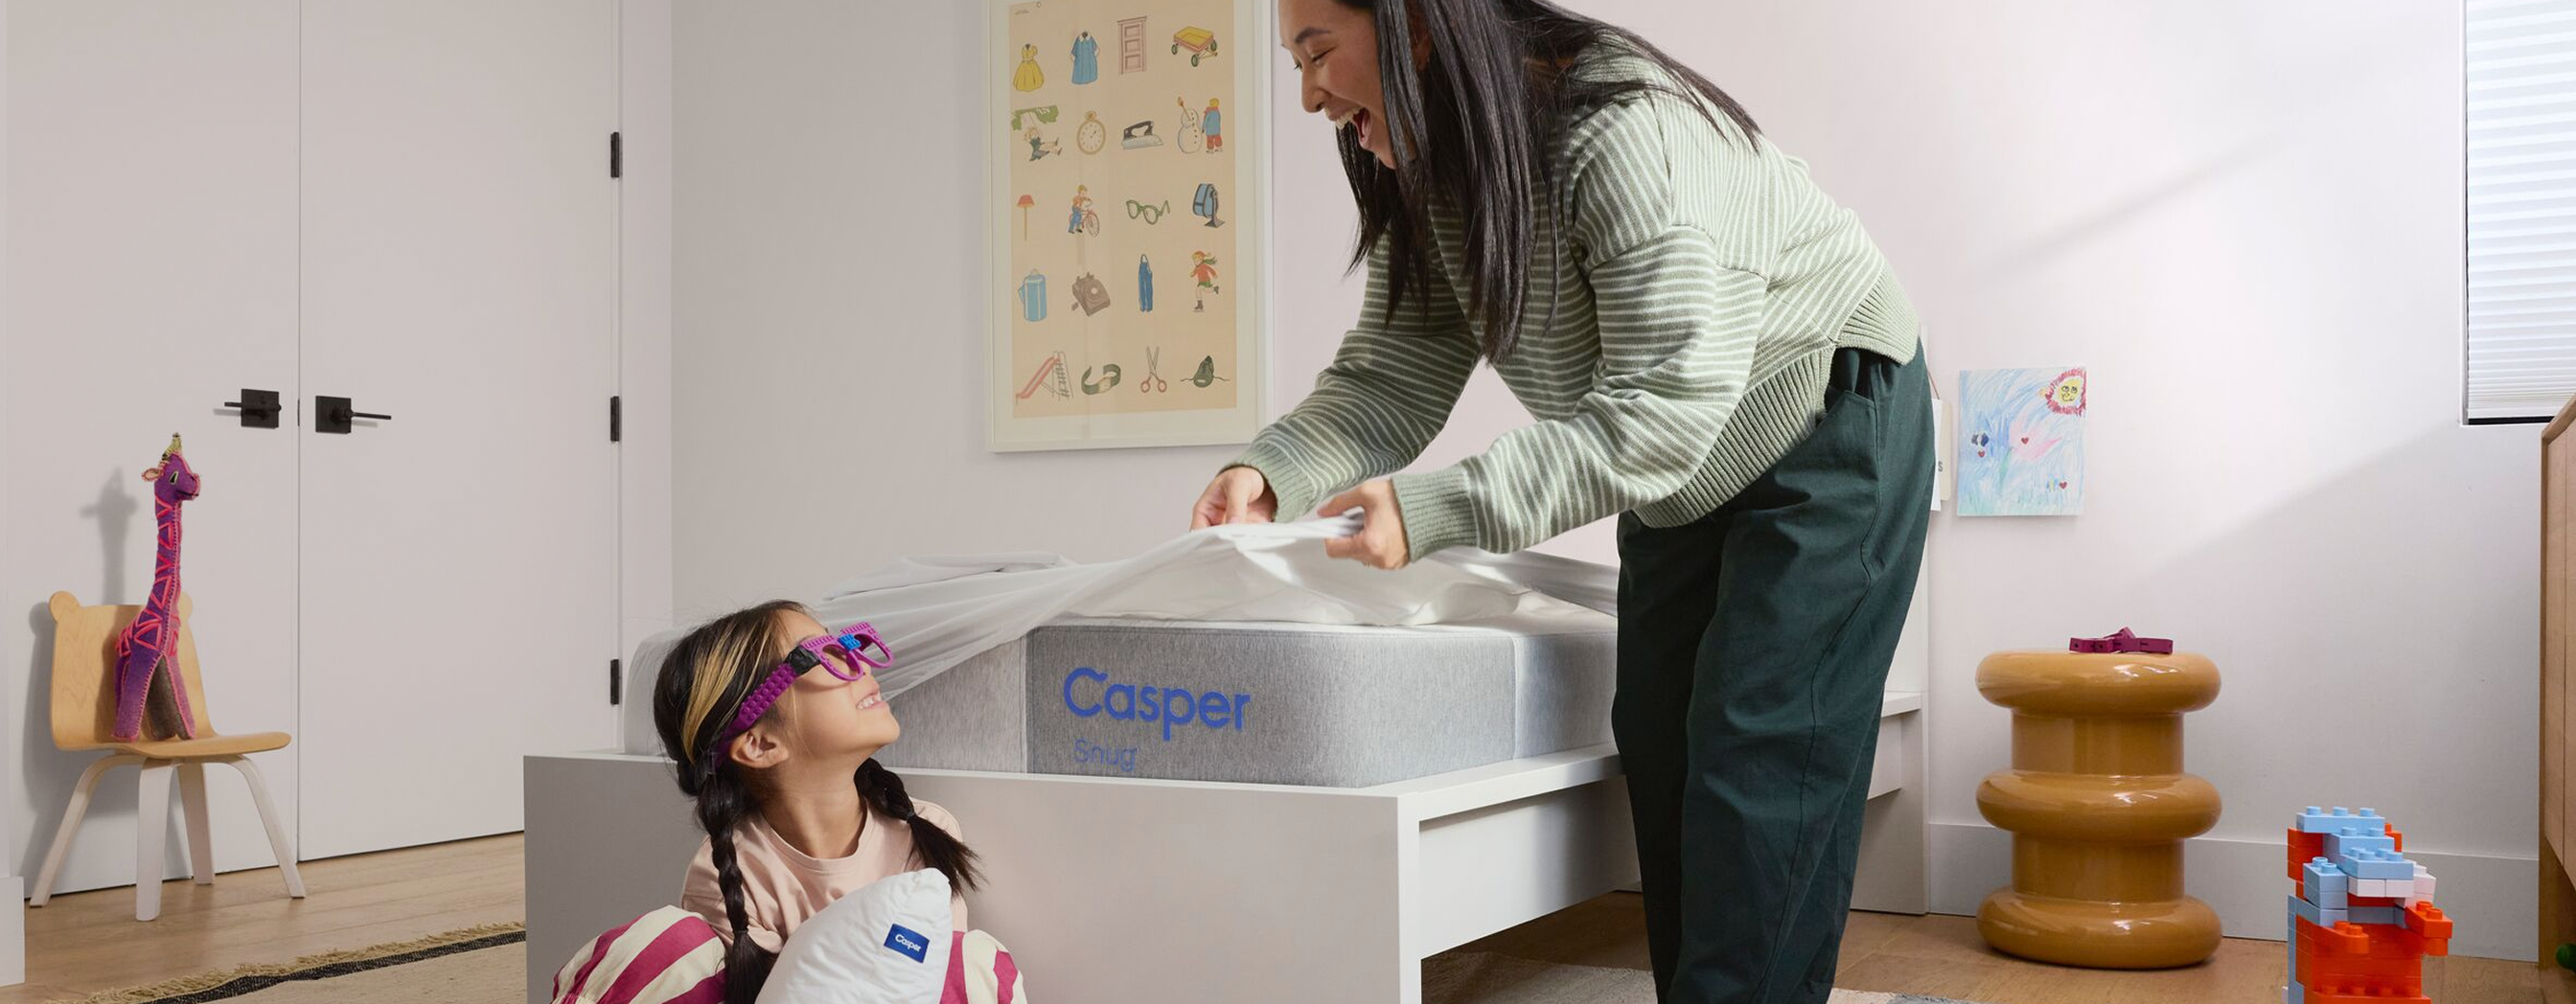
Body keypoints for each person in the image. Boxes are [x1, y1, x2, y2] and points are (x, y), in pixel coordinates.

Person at [1190, 3, 1930, 1002]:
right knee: (1662, 747)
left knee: (1759, 758)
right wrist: (1272, 471)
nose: (1312, 94)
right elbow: (1391, 375)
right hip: (1680, 470)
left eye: (1317, 52)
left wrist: (1442, 506)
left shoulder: (1624, 127)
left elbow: (1665, 409)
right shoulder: (1442, 170)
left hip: (1822, 415)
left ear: (1415, 25)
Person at [653, 602, 980, 1004]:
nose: (858, 662)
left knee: (979, 961)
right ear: (760, 744)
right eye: (821, 654)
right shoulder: (725, 878)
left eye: (845, 645)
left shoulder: (925, 831)